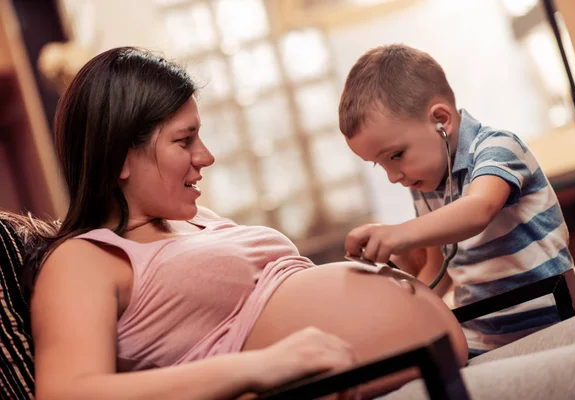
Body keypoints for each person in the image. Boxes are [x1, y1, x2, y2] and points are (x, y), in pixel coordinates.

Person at [28, 46, 468, 400]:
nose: (206, 156)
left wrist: (401, 276)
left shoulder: (199, 221)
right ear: (122, 156)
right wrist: (263, 365)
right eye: (184, 140)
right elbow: (68, 392)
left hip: (438, 366)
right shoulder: (82, 260)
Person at [338, 43, 575, 357]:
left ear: (441, 120)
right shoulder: (425, 186)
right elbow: (439, 266)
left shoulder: (498, 148)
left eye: (396, 155)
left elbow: (478, 210)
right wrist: (402, 308)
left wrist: (397, 233)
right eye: (382, 165)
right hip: (484, 337)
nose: (394, 176)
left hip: (559, 319)